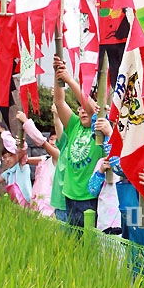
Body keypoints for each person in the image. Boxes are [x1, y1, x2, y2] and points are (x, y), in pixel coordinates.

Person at [53, 54, 111, 227]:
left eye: (85, 108)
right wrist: (58, 74)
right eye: (80, 109)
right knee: (71, 241)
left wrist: (70, 79)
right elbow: (59, 101)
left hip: (90, 198)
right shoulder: (74, 125)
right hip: (69, 196)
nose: (83, 111)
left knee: (88, 241)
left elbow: (93, 108)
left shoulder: (100, 128)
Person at [15, 110, 60, 217]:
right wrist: (22, 146)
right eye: (51, 139)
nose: (53, 142)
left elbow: (42, 142)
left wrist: (26, 121)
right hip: (37, 204)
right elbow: (23, 160)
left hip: (50, 209)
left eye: (57, 139)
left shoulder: (59, 157)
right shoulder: (45, 158)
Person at [0, 123, 32, 206]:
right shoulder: (8, 173)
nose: (7, 159)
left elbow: (17, 148)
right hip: (15, 207)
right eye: (5, 157)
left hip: (27, 206)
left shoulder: (22, 166)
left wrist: (3, 132)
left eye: (10, 155)